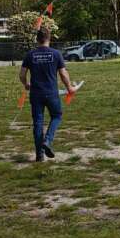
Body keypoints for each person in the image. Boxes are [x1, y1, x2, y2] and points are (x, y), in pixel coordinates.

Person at [19, 28, 76, 163]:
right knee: (57, 116)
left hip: (36, 94)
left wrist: (26, 84)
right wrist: (69, 88)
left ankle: (39, 155)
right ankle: (48, 140)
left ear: (37, 39)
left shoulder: (30, 54)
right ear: (49, 38)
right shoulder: (56, 54)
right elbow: (63, 74)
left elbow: (21, 74)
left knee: (38, 123)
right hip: (51, 93)